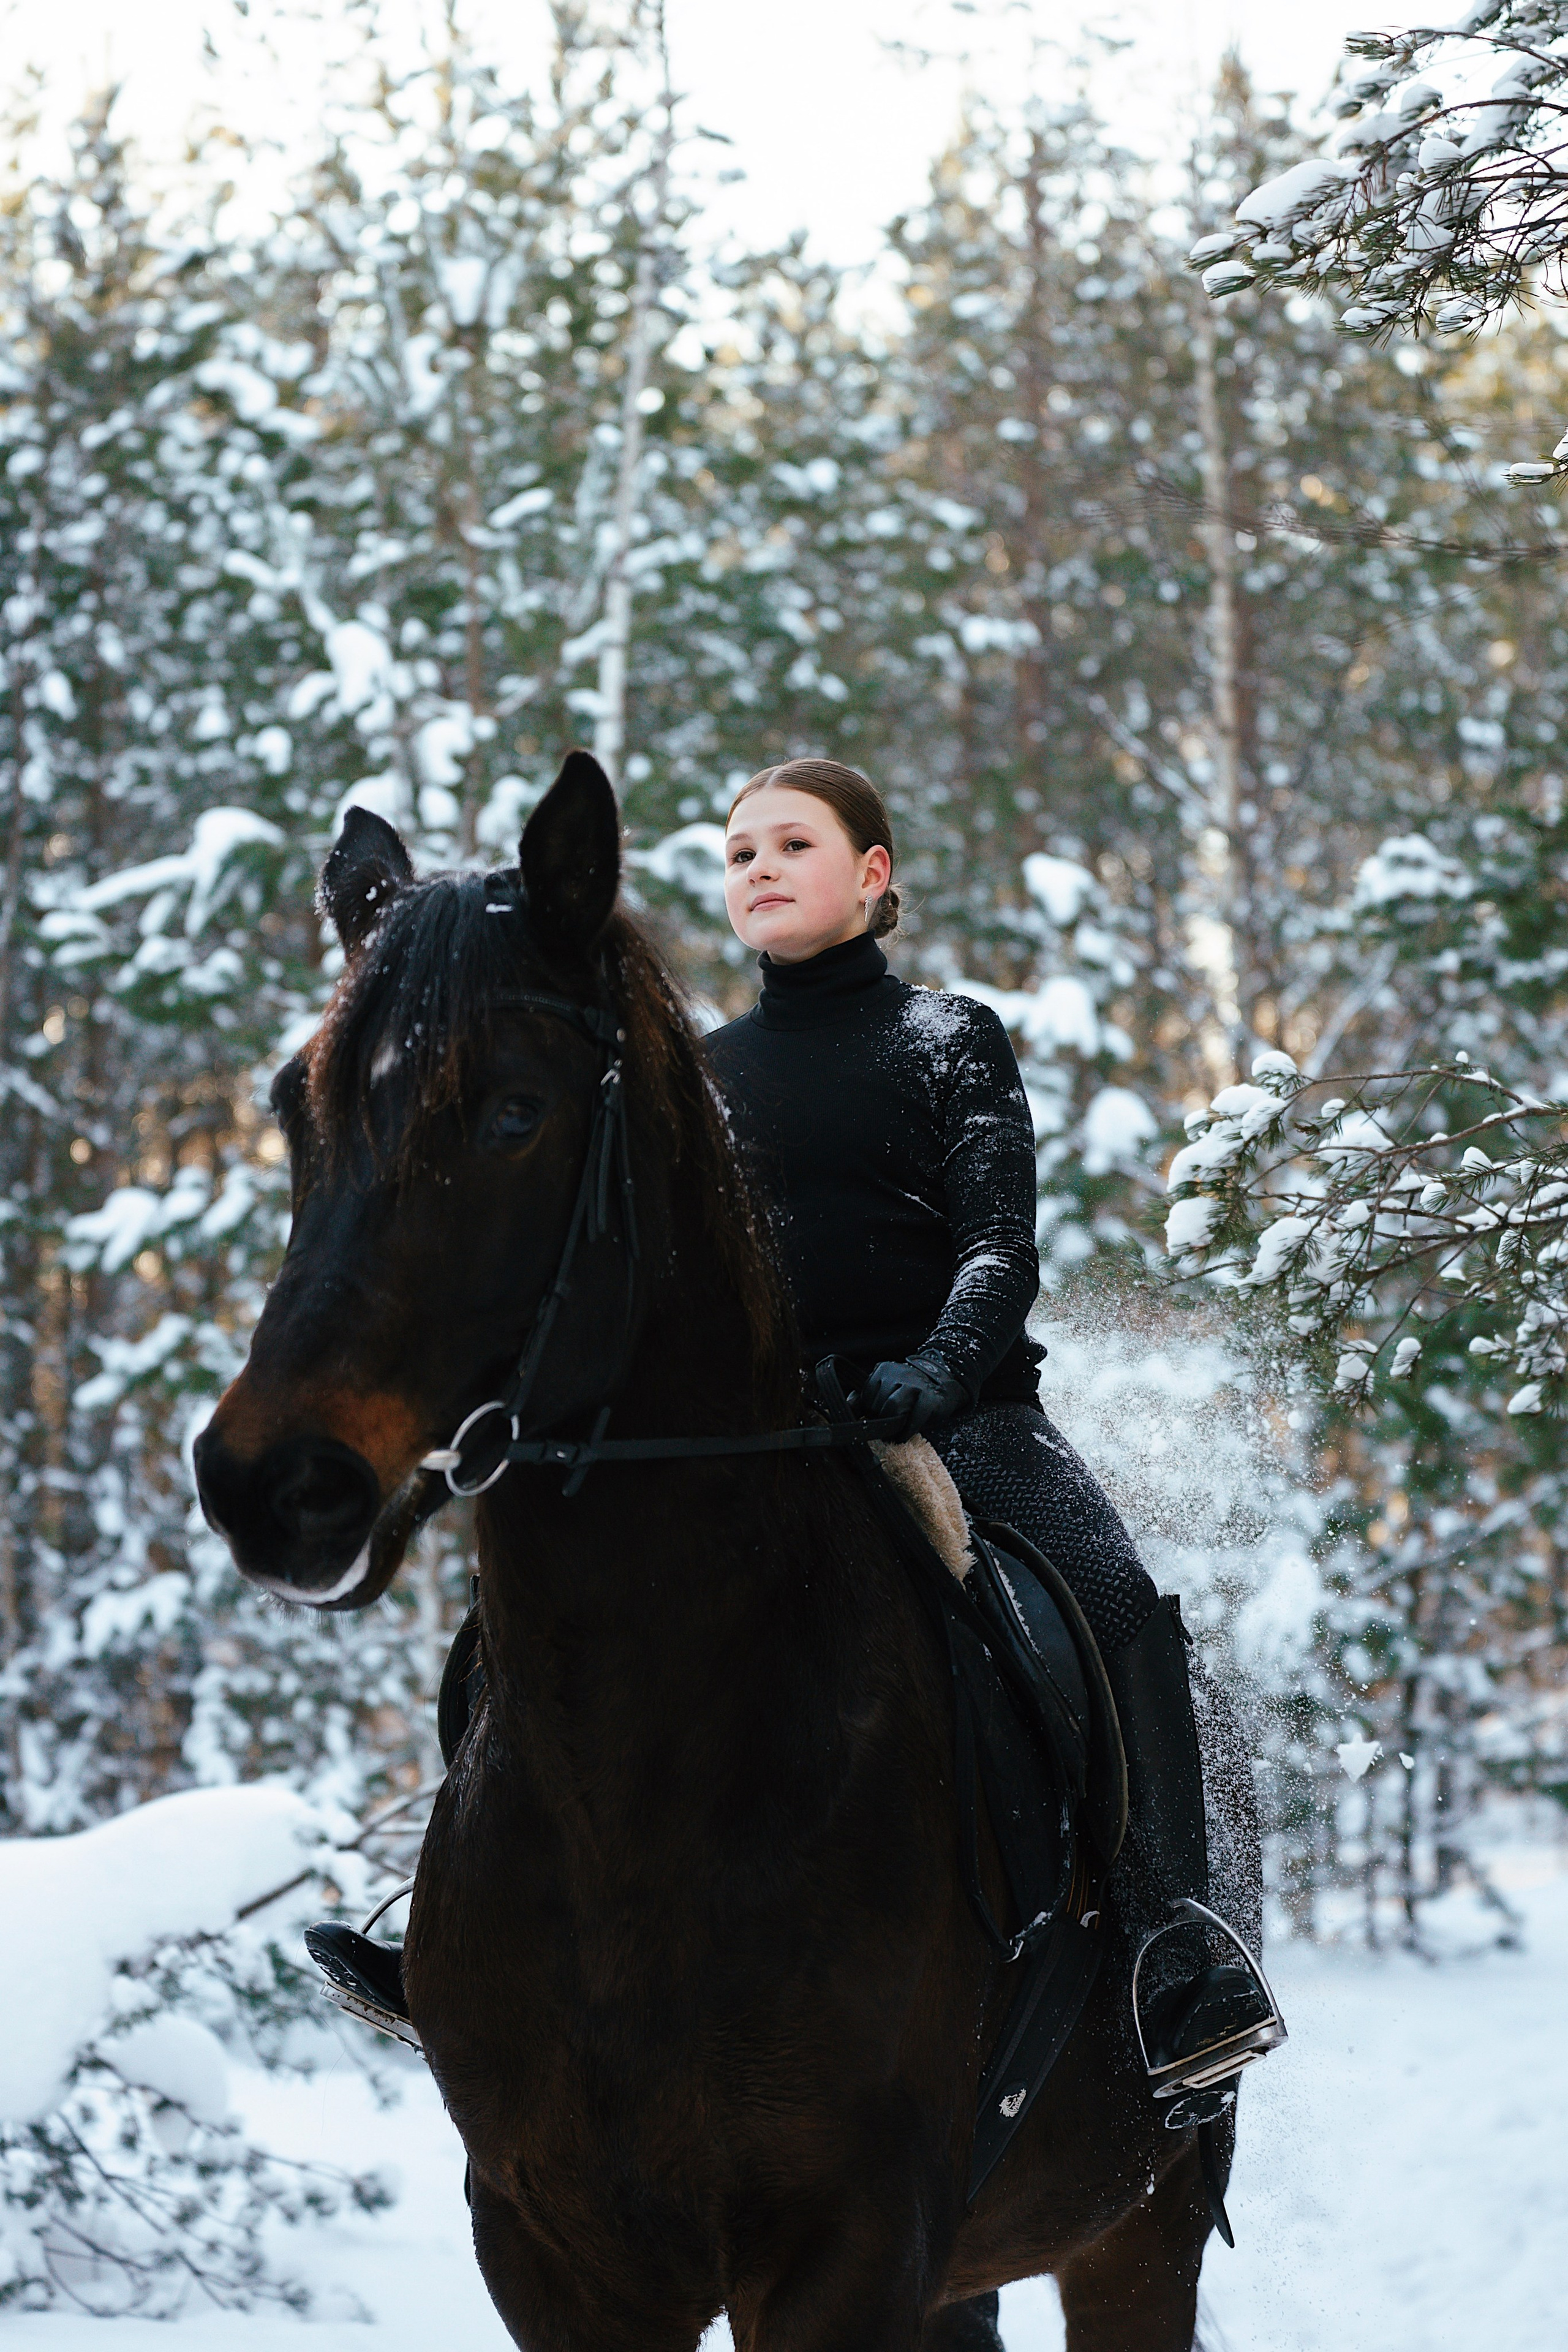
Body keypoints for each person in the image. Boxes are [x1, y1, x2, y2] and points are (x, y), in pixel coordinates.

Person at [704, 758, 1281, 2101]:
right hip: (756, 1446)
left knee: (1116, 1602)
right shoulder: (701, 1072)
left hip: (957, 1424)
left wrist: (937, 1371)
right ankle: (462, 1925)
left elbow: (994, 1247)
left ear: (871, 873)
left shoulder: (945, 1038)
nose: (758, 870)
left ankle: (1173, 1954)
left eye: (792, 843)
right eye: (737, 854)